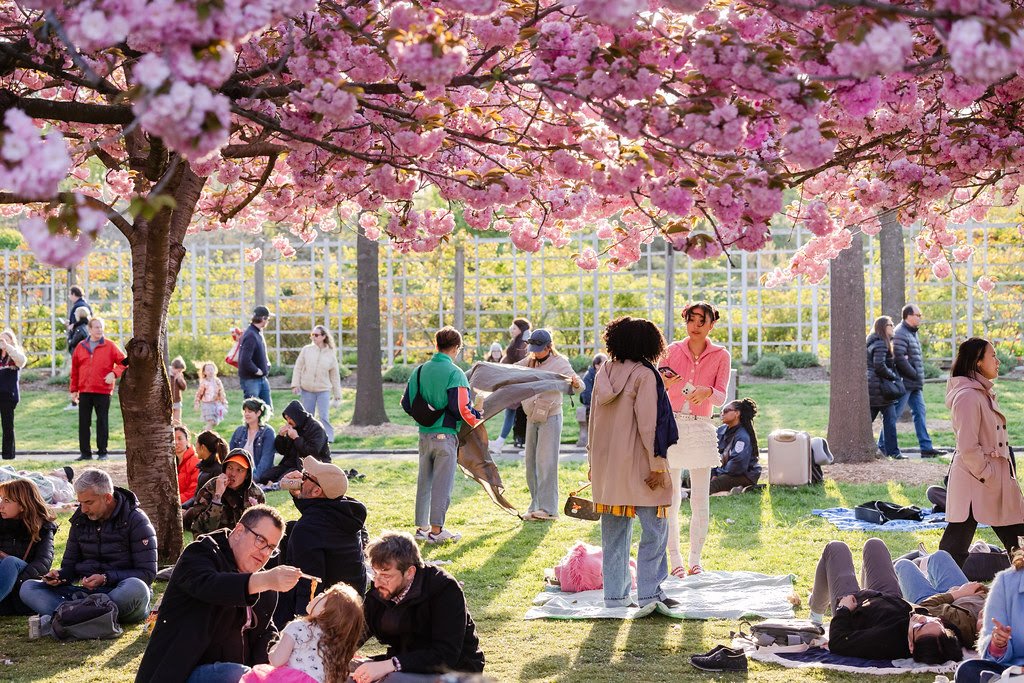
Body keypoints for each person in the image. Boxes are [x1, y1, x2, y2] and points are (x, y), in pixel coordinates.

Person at [135, 505, 303, 683]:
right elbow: (212, 587)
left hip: (234, 672)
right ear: (239, 531)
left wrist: (282, 656)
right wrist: (264, 580)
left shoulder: (265, 585)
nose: (264, 553)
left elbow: (264, 634)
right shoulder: (200, 554)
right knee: (241, 676)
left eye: (271, 548)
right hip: (180, 672)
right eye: (261, 541)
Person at [588, 316, 675, 609]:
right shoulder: (645, 375)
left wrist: (592, 463)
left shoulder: (604, 372)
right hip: (642, 466)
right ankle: (650, 594)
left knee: (613, 534)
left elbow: (593, 421)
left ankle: (615, 596)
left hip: (606, 466)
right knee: (655, 530)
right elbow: (649, 426)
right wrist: (658, 466)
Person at [19, 469, 156, 624]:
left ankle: (71, 617)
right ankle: (92, 617)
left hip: (119, 593)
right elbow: (70, 567)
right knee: (29, 588)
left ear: (108, 498)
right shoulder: (80, 519)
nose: (83, 509)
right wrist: (60, 576)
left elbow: (147, 573)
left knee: (136, 587)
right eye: (80, 503)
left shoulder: (136, 520)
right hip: (87, 595)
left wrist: (105, 578)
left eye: (89, 503)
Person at [939, 337, 1024, 567]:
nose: (997, 361)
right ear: (978, 362)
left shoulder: (979, 392)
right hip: (977, 481)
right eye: (993, 355)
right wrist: (989, 475)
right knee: (954, 548)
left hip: (990, 481)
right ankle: (938, 588)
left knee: (1017, 538)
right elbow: (968, 445)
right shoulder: (967, 396)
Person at [355, 532, 485, 682]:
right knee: (346, 674)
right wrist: (337, 655)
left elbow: (445, 654)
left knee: (394, 680)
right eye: (375, 573)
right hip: (404, 665)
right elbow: (358, 632)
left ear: (410, 572)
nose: (377, 583)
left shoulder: (444, 589)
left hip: (455, 672)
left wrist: (389, 665)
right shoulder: (380, 591)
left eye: (386, 575)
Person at [661, 301, 731, 577]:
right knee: (672, 497)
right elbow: (658, 383)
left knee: (700, 498)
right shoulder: (671, 351)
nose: (696, 326)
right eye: (691, 320)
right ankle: (675, 558)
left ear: (712, 324)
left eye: (702, 321)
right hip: (672, 427)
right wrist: (664, 381)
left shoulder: (721, 355)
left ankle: (695, 559)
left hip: (702, 427)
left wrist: (707, 391)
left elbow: (721, 395)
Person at [808, 538, 961, 664]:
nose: (922, 618)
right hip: (888, 597)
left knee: (836, 548)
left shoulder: (883, 641)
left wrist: (844, 609)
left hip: (854, 604)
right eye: (932, 621)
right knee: (875, 544)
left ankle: (815, 613)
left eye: (920, 627)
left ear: (911, 645)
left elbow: (839, 642)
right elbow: (953, 638)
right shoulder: (940, 637)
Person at [401, 327, 482, 543]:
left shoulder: (418, 371)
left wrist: (425, 416)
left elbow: (406, 403)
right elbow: (460, 408)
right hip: (445, 435)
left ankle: (421, 529)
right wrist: (477, 418)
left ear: (436, 345)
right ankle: (436, 532)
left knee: (424, 482)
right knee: (442, 484)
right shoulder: (455, 373)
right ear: (456, 348)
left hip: (424, 435)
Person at [274, 457, 367, 626]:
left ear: (317, 492)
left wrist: (301, 626)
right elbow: (319, 513)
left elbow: (310, 583)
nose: (301, 478)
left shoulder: (307, 529)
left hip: (332, 619)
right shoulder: (344, 510)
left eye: (306, 476)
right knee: (290, 529)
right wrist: (299, 495)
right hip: (352, 608)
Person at [516, 328, 581, 521]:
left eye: (538, 349)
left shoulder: (560, 363)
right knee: (531, 464)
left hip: (551, 417)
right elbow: (512, 370)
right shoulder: (529, 361)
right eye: (533, 348)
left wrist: (576, 383)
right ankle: (535, 505)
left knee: (546, 463)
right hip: (532, 416)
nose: (535, 352)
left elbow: (579, 387)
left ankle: (549, 509)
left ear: (549, 346)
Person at [245, 583, 365, 683]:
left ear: (326, 611)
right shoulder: (335, 643)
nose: (318, 594)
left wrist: (272, 650)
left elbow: (277, 660)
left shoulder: (298, 627)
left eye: (323, 595)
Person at [954, 550, 1024, 683]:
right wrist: (998, 644)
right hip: (1010, 669)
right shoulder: (1005, 582)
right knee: (967, 670)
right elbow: (987, 645)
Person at [894, 549, 987, 648]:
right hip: (964, 592)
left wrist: (957, 594)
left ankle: (924, 572)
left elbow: (924, 608)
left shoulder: (956, 627)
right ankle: (926, 570)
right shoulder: (1000, 606)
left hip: (936, 601)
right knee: (939, 556)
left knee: (903, 565)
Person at [69, 317, 126, 461]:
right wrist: (74, 390)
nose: (99, 330)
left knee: (102, 422)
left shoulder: (110, 346)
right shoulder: (81, 347)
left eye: (101, 327)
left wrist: (114, 373)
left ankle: (102, 452)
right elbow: (74, 370)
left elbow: (125, 362)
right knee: (84, 423)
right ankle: (85, 454)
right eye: (96, 327)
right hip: (85, 391)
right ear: (89, 329)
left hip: (103, 391)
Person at [888, 305, 940, 457]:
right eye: (918, 315)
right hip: (905, 382)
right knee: (894, 415)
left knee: (920, 412)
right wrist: (914, 373)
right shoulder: (900, 333)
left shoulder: (911, 332)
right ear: (908, 316)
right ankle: (882, 446)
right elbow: (899, 358)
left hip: (914, 383)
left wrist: (916, 375)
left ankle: (926, 448)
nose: (920, 317)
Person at [0, 479, 57, 615]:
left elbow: (43, 563)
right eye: (1, 499)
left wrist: (18, 581)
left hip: (21, 584)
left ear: (23, 505)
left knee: (11, 562)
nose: (1, 505)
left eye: (6, 501)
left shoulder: (43, 527)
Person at [183, 449, 266, 536]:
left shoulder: (256, 494)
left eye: (239, 470)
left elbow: (261, 531)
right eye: (230, 468)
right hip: (212, 544)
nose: (233, 474)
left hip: (241, 545)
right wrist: (217, 497)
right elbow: (202, 529)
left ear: (247, 475)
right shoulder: (210, 488)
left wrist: (255, 515)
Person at [291, 325, 343, 443]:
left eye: (316, 335)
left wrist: (337, 394)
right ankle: (306, 437)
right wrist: (295, 384)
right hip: (307, 389)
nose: (313, 337)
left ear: (324, 337)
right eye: (312, 334)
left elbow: (334, 375)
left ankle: (329, 438)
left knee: (324, 416)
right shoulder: (306, 350)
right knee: (307, 416)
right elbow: (298, 367)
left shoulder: (330, 353)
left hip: (323, 390)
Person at [263, 400, 331, 485]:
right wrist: (280, 436)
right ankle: (272, 484)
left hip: (307, 465)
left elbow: (313, 452)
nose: (288, 421)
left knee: (283, 481)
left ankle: (274, 485)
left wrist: (296, 438)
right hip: (290, 464)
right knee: (265, 477)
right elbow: (282, 451)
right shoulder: (295, 426)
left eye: (290, 418)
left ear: (297, 416)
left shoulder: (316, 427)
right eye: (286, 418)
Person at [489, 318, 530, 454]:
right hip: (513, 383)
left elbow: (523, 363)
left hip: (518, 384)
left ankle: (503, 443)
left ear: (521, 329)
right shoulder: (517, 342)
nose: (511, 330)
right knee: (512, 413)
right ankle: (500, 442)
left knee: (525, 414)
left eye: (514, 328)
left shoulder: (523, 344)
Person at [867, 315, 904, 459]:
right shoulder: (881, 343)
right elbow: (879, 366)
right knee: (889, 420)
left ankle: (888, 451)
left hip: (876, 388)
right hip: (881, 389)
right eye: (890, 324)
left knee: (874, 419)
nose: (893, 327)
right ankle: (893, 452)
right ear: (883, 327)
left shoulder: (874, 342)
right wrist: (893, 376)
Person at [709, 398, 762, 494]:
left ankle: (687, 495)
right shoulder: (721, 430)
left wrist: (718, 474)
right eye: (721, 412)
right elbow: (712, 454)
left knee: (715, 484)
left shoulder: (742, 436)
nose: (722, 414)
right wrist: (713, 473)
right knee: (697, 476)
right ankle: (736, 488)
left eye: (725, 411)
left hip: (742, 474)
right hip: (722, 471)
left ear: (737, 413)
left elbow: (737, 465)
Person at [229, 397, 278, 485]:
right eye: (245, 411)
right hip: (239, 472)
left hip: (258, 475)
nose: (246, 414)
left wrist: (254, 478)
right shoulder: (239, 431)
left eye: (250, 411)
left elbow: (266, 460)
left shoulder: (268, 432)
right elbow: (230, 454)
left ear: (258, 413)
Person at [239, 305, 273, 408]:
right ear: (263, 318)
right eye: (268, 318)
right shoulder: (250, 335)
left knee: (267, 409)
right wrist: (257, 370)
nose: (268, 321)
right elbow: (245, 360)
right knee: (252, 410)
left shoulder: (257, 333)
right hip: (251, 380)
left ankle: (263, 425)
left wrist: (267, 365)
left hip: (262, 379)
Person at [0, 330, 27, 461]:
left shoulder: (15, 355)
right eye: (1, 339)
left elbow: (21, 361)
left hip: (8, 395)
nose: (2, 342)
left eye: (6, 339)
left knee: (7, 426)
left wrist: (8, 347)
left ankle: (8, 455)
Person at [184, 430, 228, 509]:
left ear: (203, 447)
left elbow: (208, 501)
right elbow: (196, 496)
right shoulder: (204, 467)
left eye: (196, 444)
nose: (195, 448)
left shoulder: (218, 470)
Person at [194, 361, 229, 431]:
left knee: (215, 422)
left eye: (212, 369)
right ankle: (206, 433)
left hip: (215, 403)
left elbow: (221, 392)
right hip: (207, 404)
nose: (210, 371)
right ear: (204, 372)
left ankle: (204, 430)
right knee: (211, 421)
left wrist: (224, 402)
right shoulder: (204, 382)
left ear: (215, 370)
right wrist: (197, 403)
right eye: (208, 370)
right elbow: (199, 394)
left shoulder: (217, 381)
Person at [176, 424, 201, 505]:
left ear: (187, 441)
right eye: (172, 439)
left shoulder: (195, 462)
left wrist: (173, 501)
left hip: (186, 505)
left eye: (180, 439)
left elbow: (192, 493)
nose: (176, 442)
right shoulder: (166, 461)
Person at [579, 352, 607, 422]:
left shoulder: (604, 375)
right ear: (597, 365)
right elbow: (587, 397)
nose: (607, 366)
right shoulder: (588, 377)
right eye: (605, 363)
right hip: (591, 408)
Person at [170, 356, 188, 425]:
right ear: (173, 368)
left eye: (181, 371)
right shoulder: (168, 374)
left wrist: (180, 380)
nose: (180, 372)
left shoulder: (180, 375)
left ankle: (177, 431)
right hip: (169, 401)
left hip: (177, 401)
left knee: (177, 421)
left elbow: (183, 388)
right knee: (170, 420)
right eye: (179, 370)